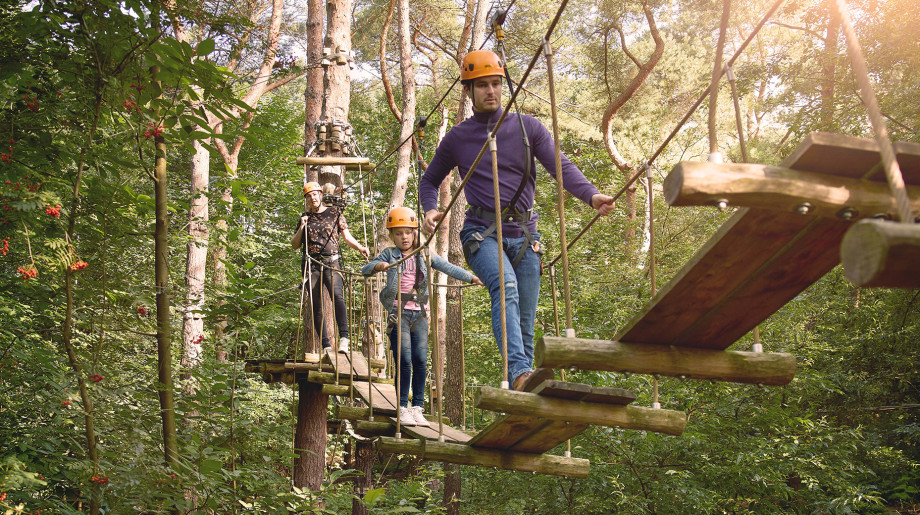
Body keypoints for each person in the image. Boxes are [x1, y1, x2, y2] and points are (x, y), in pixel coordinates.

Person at [419, 49, 616, 392]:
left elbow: (561, 166)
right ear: (468, 91)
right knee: (505, 286)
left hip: (526, 234)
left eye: (496, 83)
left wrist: (591, 195)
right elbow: (429, 180)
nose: (491, 91)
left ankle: (522, 383)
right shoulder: (458, 137)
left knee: (525, 317)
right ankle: (521, 372)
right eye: (482, 86)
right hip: (481, 233)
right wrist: (429, 208)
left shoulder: (528, 128)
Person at [361, 206, 482, 427]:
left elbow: (448, 267)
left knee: (420, 361)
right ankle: (402, 407)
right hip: (398, 313)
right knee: (404, 360)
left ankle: (417, 407)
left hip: (420, 314)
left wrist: (472, 278)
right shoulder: (390, 254)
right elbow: (364, 269)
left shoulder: (425, 253)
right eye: (398, 233)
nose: (404, 237)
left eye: (408, 232)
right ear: (392, 236)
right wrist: (380, 265)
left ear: (415, 232)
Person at [291, 181, 370, 353]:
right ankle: (326, 345)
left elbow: (347, 237)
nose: (312, 198)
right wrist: (302, 227)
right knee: (316, 306)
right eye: (309, 196)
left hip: (332, 262)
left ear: (320, 195)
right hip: (312, 265)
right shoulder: (305, 218)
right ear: (306, 199)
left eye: (314, 194)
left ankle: (344, 339)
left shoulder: (334, 213)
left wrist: (360, 247)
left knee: (337, 296)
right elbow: (295, 244)